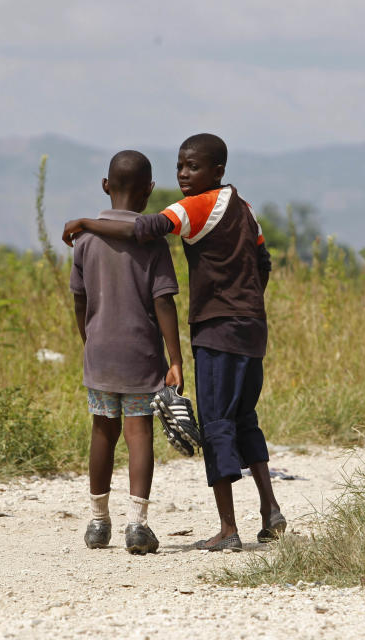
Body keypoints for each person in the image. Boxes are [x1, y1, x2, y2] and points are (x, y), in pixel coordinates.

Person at [63, 134, 286, 551]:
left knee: (213, 421)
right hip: (249, 327)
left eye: (193, 167)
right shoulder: (245, 208)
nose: (184, 175)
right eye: (180, 167)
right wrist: (246, 302)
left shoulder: (191, 208)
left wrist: (85, 223)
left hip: (208, 328)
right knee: (241, 418)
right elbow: (263, 262)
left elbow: (141, 232)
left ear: (218, 171)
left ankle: (226, 529)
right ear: (150, 186)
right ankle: (267, 510)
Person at [69, 150, 184, 555]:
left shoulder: (85, 239)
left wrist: (89, 340)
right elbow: (164, 302)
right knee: (139, 436)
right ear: (150, 191)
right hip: (140, 357)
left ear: (105, 186)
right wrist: (175, 359)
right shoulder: (150, 241)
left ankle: (98, 523)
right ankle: (138, 525)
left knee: (102, 431)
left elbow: (80, 301)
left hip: (99, 352)